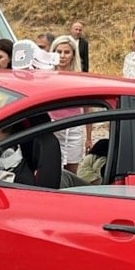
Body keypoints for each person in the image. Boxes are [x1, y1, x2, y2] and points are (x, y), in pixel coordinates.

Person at [50, 34, 88, 171]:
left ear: (73, 55)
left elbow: (87, 107)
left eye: (66, 52)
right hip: (51, 127)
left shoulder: (80, 78)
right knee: (52, 168)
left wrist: (89, 137)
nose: (62, 56)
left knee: (72, 170)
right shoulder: (46, 76)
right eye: (59, 52)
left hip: (73, 128)